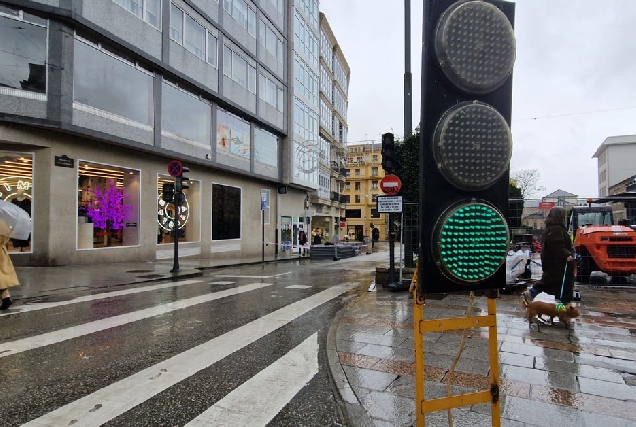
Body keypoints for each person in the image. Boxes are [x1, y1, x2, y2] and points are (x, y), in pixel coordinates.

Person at [523, 206, 575, 305]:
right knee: (563, 285)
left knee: (549, 281)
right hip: (560, 263)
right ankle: (563, 309)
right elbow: (557, 245)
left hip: (552, 261)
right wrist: (567, 254)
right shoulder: (557, 229)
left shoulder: (550, 228)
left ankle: (532, 293)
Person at [0, 219, 20, 310]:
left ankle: (6, 297)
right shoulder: (4, 223)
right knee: (2, 275)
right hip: (2, 252)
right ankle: (6, 296)